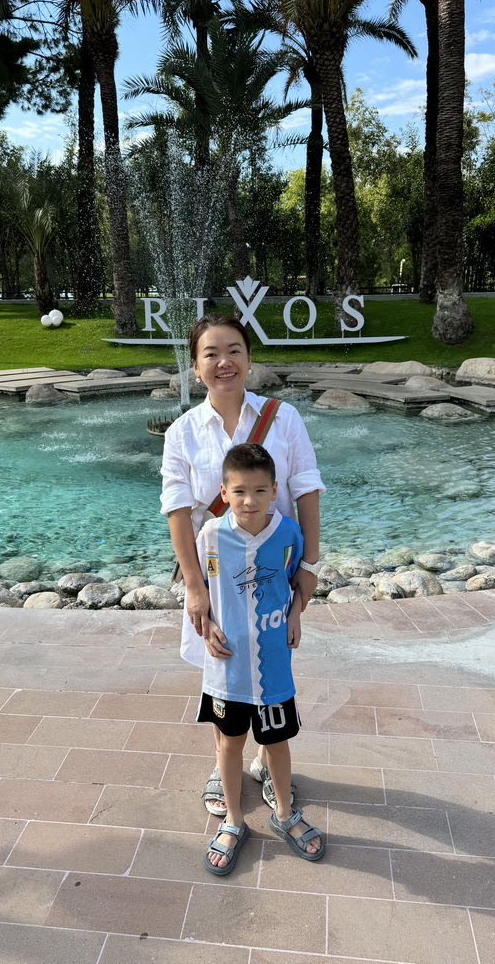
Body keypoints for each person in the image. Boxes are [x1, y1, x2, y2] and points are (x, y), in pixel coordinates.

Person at [160, 313, 324, 815]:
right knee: (222, 659)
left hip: (274, 575)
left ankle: (269, 761)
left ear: (250, 359)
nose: (223, 362)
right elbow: (178, 509)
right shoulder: (182, 432)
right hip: (217, 577)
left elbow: (306, 488)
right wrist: (193, 586)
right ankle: (224, 758)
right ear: (194, 368)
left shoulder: (284, 418)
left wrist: (311, 566)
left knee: (271, 660)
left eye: (234, 350)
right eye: (210, 353)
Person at [196, 443, 325, 874]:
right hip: (227, 669)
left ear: (274, 491)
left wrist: (295, 615)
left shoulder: (288, 533)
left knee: (276, 741)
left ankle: (285, 813)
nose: (249, 500)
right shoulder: (210, 535)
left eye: (259, 490)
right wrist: (206, 626)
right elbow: (198, 593)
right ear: (223, 492)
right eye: (239, 491)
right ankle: (233, 821)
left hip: (272, 666)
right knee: (228, 744)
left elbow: (296, 581)